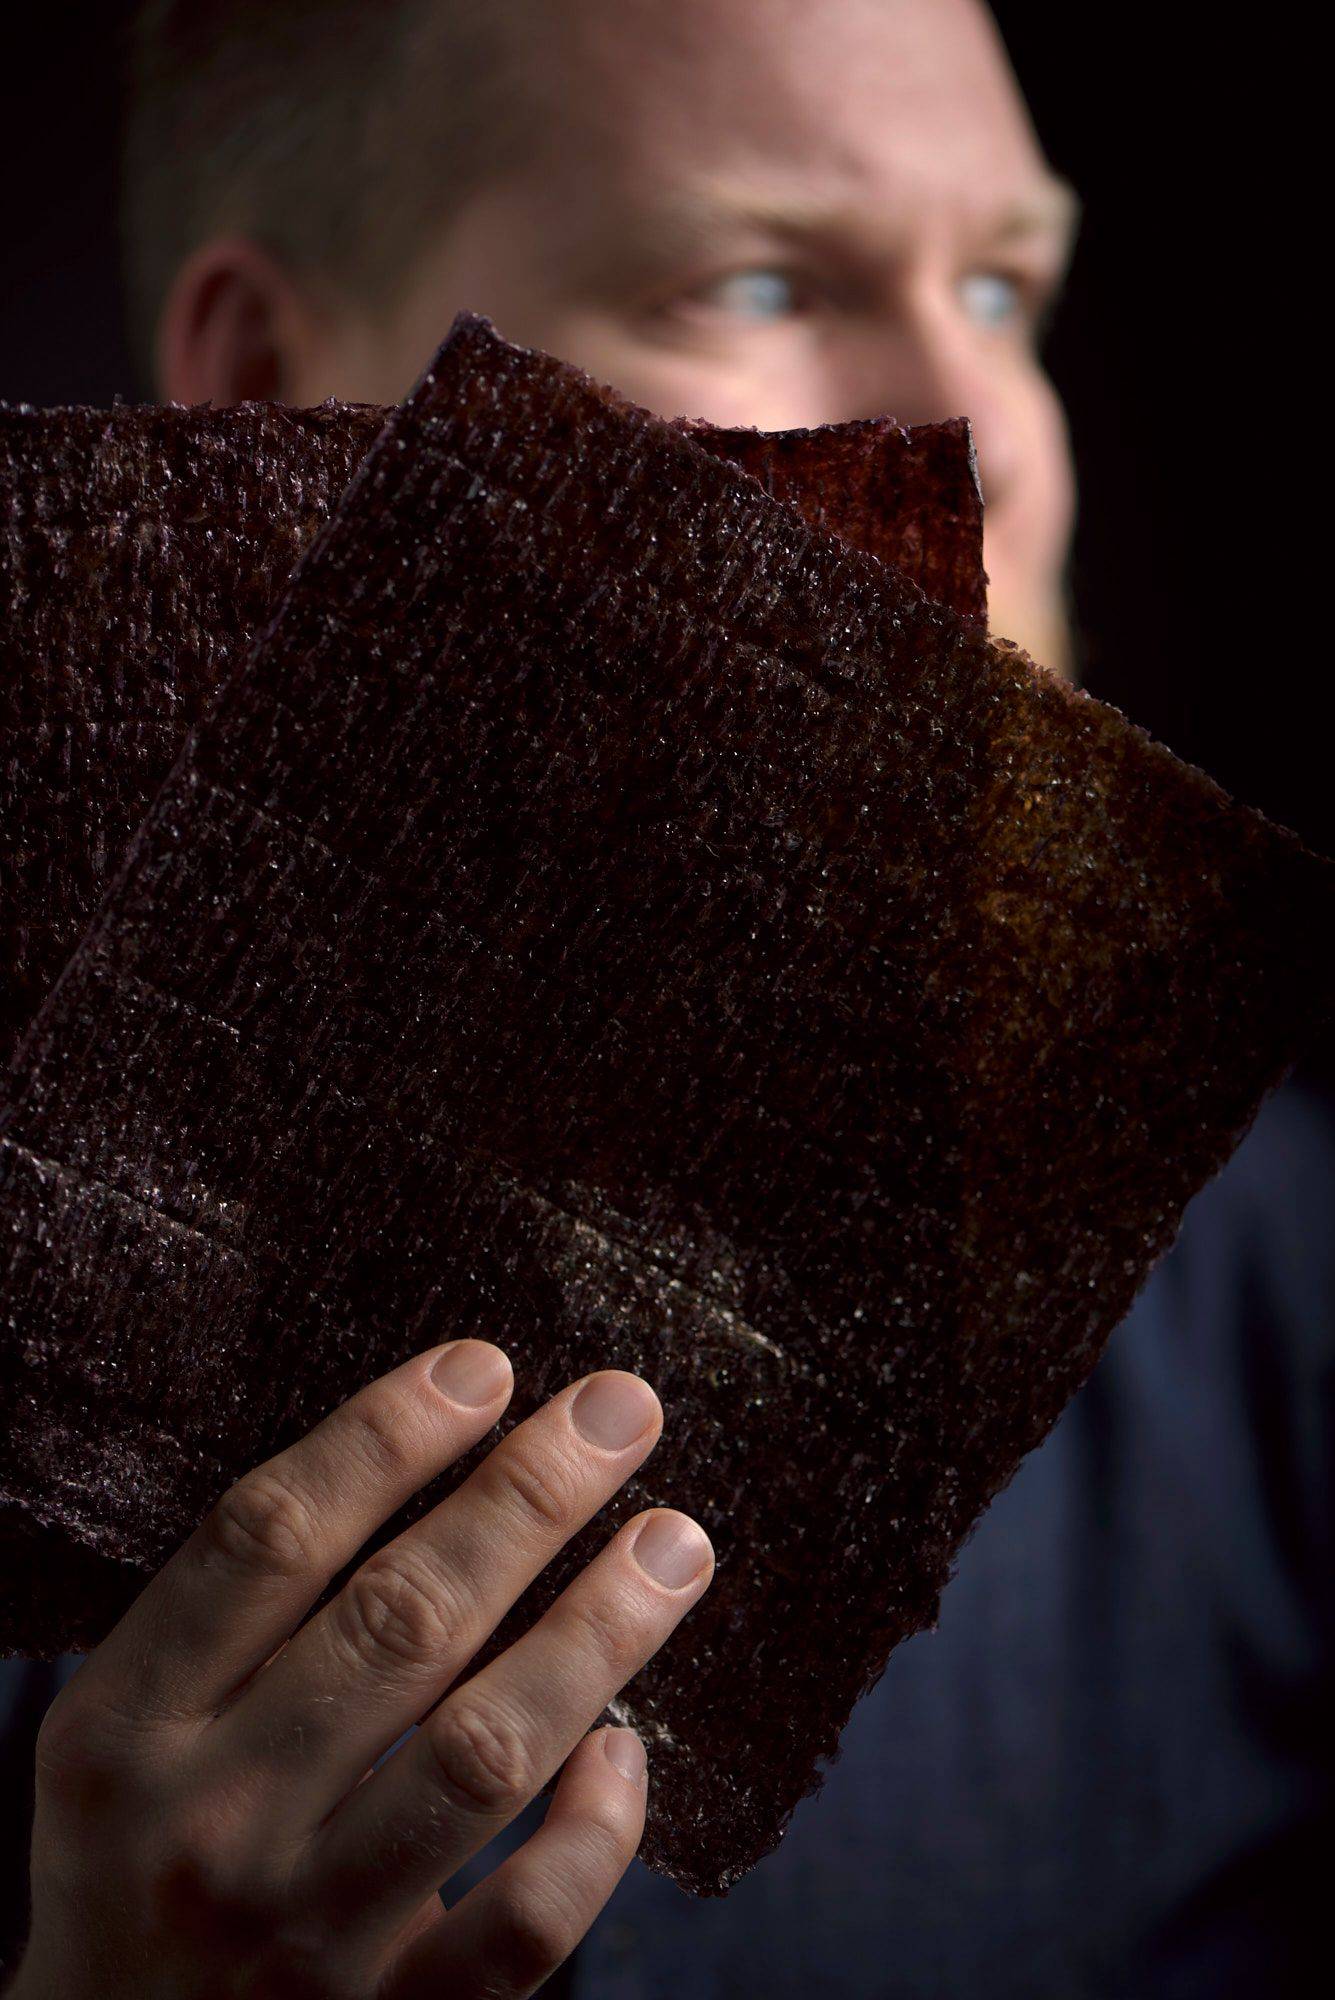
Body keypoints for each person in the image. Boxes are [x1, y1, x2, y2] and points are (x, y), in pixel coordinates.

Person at [2, 2, 1331, 1995]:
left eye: (1001, 282)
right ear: (269, 386)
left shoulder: (1280, 1314)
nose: (998, 442)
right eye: (754, 278)